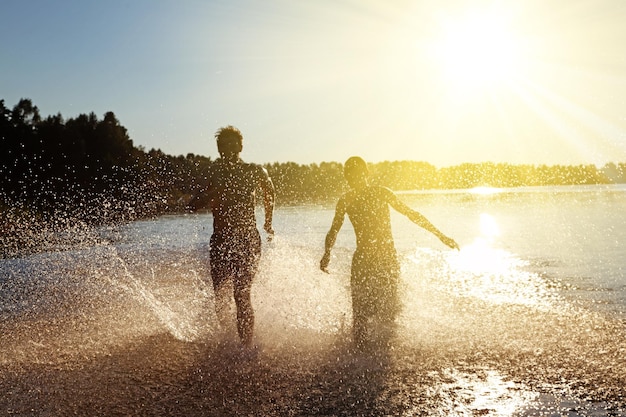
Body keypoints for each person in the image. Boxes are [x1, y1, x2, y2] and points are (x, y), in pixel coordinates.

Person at [320, 156, 458, 350]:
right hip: (363, 260)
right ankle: (359, 359)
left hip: (386, 258)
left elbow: (411, 214)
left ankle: (383, 357)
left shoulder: (381, 193)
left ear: (366, 174)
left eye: (356, 174)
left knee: (388, 309)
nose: (353, 179)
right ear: (346, 177)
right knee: (359, 312)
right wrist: (326, 253)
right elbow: (333, 230)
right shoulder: (346, 200)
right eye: (349, 175)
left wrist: (439, 234)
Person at [189, 125, 275, 347]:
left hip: (248, 239)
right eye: (222, 146)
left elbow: (270, 191)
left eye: (231, 144)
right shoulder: (212, 174)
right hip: (221, 240)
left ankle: (245, 347)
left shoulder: (254, 171)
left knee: (241, 294)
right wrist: (214, 191)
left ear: (240, 146)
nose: (227, 149)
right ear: (218, 150)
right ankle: (229, 341)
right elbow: (192, 205)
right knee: (220, 297)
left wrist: (268, 221)